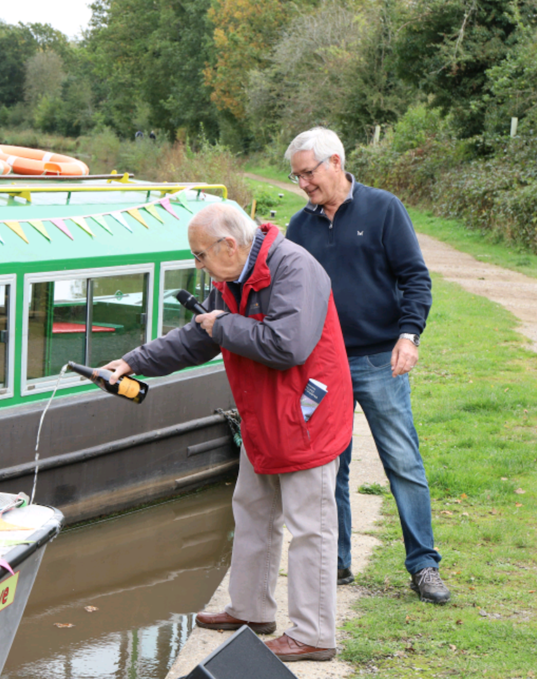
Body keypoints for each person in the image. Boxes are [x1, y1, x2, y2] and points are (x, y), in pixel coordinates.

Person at [103, 203, 353, 662]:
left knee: (311, 528)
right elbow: (201, 337)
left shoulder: (296, 268)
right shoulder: (233, 277)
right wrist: (134, 361)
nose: (199, 266)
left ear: (229, 245)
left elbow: (288, 345)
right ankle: (250, 610)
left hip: (304, 415)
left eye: (200, 255)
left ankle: (314, 635)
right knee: (252, 511)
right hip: (264, 414)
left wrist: (227, 325)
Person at [284, 127, 451, 604]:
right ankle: (335, 564)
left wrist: (408, 335)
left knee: (403, 462)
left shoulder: (383, 208)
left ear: (335, 162)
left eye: (309, 174)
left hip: (381, 360)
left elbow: (415, 277)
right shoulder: (301, 226)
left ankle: (423, 566)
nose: (304, 185)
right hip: (324, 367)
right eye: (297, 178)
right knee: (328, 467)